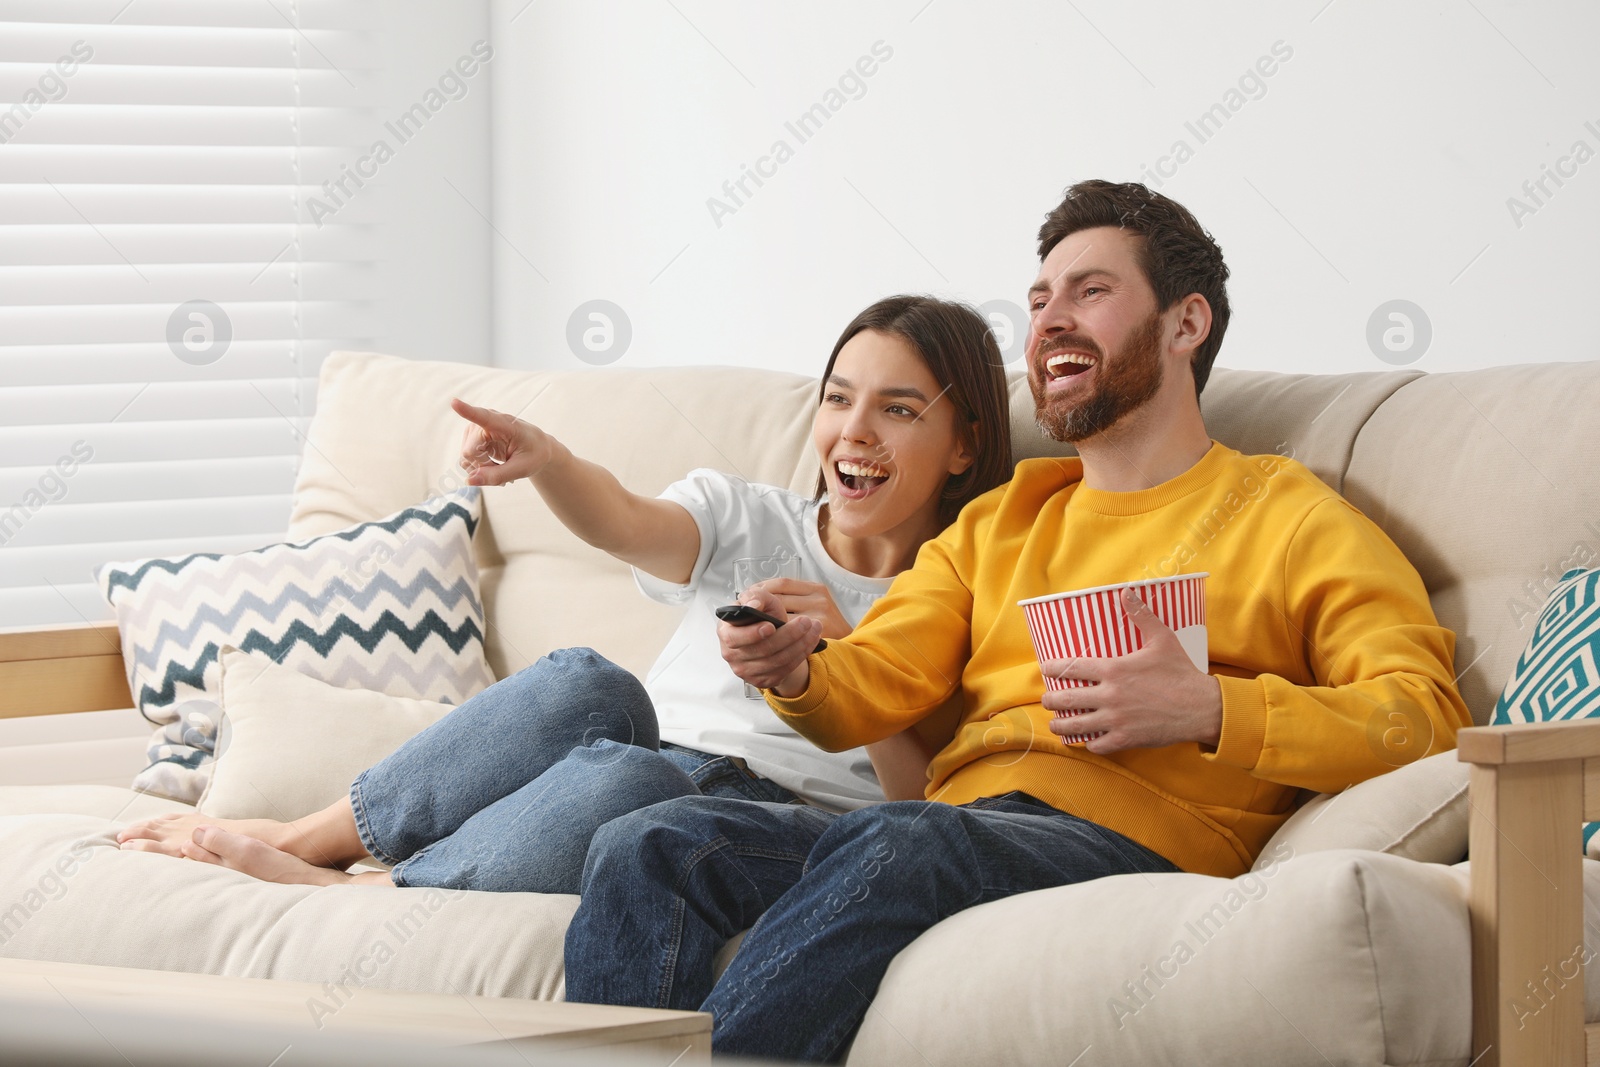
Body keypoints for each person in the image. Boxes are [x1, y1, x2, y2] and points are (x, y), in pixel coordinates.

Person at [561, 180, 1475, 1062]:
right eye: (1039, 301)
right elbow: (871, 678)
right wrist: (796, 667)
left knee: (900, 837)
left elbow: (1426, 719)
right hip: (961, 826)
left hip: (1136, 845)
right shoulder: (1003, 519)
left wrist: (1209, 709)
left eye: (1091, 291)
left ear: (1185, 323)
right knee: (655, 841)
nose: (1049, 322)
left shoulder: (1291, 517)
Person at [115, 295, 1014, 895]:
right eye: (838, 399)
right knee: (590, 682)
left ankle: (387, 893)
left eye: (898, 409)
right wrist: (548, 461)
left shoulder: (964, 590)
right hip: (647, 748)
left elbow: (921, 807)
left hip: (775, 817)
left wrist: (850, 660)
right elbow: (625, 519)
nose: (853, 432)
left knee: (635, 775)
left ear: (965, 444)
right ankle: (314, 838)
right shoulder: (748, 516)